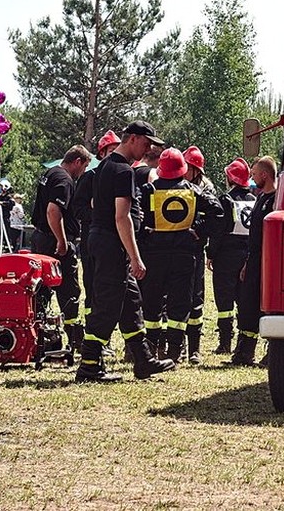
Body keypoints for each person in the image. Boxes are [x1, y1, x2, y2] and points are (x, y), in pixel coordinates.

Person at [76, 121, 175, 383]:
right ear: (132, 139)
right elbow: (122, 217)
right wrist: (135, 257)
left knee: (131, 303)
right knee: (106, 307)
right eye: (146, 143)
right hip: (112, 244)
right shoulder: (122, 171)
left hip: (102, 241)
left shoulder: (105, 167)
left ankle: (143, 361)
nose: (149, 149)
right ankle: (89, 366)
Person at [138, 147, 222, 364]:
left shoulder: (148, 190)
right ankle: (175, 351)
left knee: (152, 302)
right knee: (180, 303)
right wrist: (199, 230)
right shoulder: (193, 190)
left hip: (154, 254)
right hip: (184, 255)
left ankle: (152, 348)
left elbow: (134, 215)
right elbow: (218, 212)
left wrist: (144, 235)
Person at [29, 145, 92, 354]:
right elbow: (53, 211)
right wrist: (62, 240)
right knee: (69, 291)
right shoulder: (64, 180)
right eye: (84, 167)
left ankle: (36, 336)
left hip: (40, 239)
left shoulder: (50, 173)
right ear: (77, 162)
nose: (82, 172)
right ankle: (74, 338)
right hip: (54, 242)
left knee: (40, 289)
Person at [231, 156, 278, 366]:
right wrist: (247, 263)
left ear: (265, 175)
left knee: (269, 306)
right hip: (254, 259)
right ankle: (244, 352)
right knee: (248, 303)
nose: (252, 178)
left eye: (255, 174)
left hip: (270, 261)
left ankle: (272, 352)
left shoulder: (277, 200)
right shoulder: (260, 198)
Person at [206, 158, 255, 355]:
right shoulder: (254, 200)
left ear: (230, 178)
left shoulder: (225, 200)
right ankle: (243, 343)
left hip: (226, 257)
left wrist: (210, 254)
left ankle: (225, 342)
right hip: (247, 256)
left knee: (224, 301)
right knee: (243, 300)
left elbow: (218, 230)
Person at [76, 130, 121, 324]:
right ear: (102, 153)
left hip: (116, 238)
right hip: (92, 240)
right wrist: (98, 214)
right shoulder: (90, 177)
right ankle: (92, 323)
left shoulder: (121, 174)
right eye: (111, 150)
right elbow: (78, 209)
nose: (115, 154)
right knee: (93, 282)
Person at [180, 144, 219, 364]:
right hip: (178, 248)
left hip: (195, 248)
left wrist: (199, 230)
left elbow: (215, 216)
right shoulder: (178, 184)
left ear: (196, 170)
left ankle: (194, 349)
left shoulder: (206, 189)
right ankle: (178, 345)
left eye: (188, 166)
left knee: (196, 298)